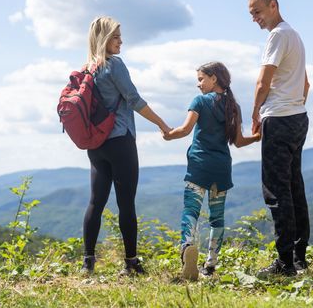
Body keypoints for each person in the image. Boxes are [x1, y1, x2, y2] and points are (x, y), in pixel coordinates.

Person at [81, 16, 171, 275]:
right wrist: (162, 125)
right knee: (126, 203)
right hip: (120, 140)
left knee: (95, 202)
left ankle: (88, 263)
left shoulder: (89, 68)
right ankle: (131, 264)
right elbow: (134, 99)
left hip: (96, 145)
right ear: (105, 39)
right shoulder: (114, 65)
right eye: (116, 37)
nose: (121, 41)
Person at [163, 61, 260, 280]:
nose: (198, 85)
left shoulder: (200, 101)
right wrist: (257, 136)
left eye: (201, 79)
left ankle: (187, 246)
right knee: (217, 218)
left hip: (199, 165)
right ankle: (210, 266)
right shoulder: (233, 106)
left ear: (213, 78)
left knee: (191, 210)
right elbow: (238, 141)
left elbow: (186, 129)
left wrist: (168, 134)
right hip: (221, 168)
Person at [248, 0, 310, 277]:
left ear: (273, 5)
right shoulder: (295, 36)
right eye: (251, 14)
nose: (255, 19)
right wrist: (294, 105)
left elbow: (263, 81)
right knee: (295, 186)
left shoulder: (277, 35)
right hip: (298, 117)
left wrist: (256, 112)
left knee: (276, 190)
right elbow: (306, 85)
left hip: (280, 118)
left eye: (258, 12)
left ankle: (285, 263)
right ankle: (299, 256)